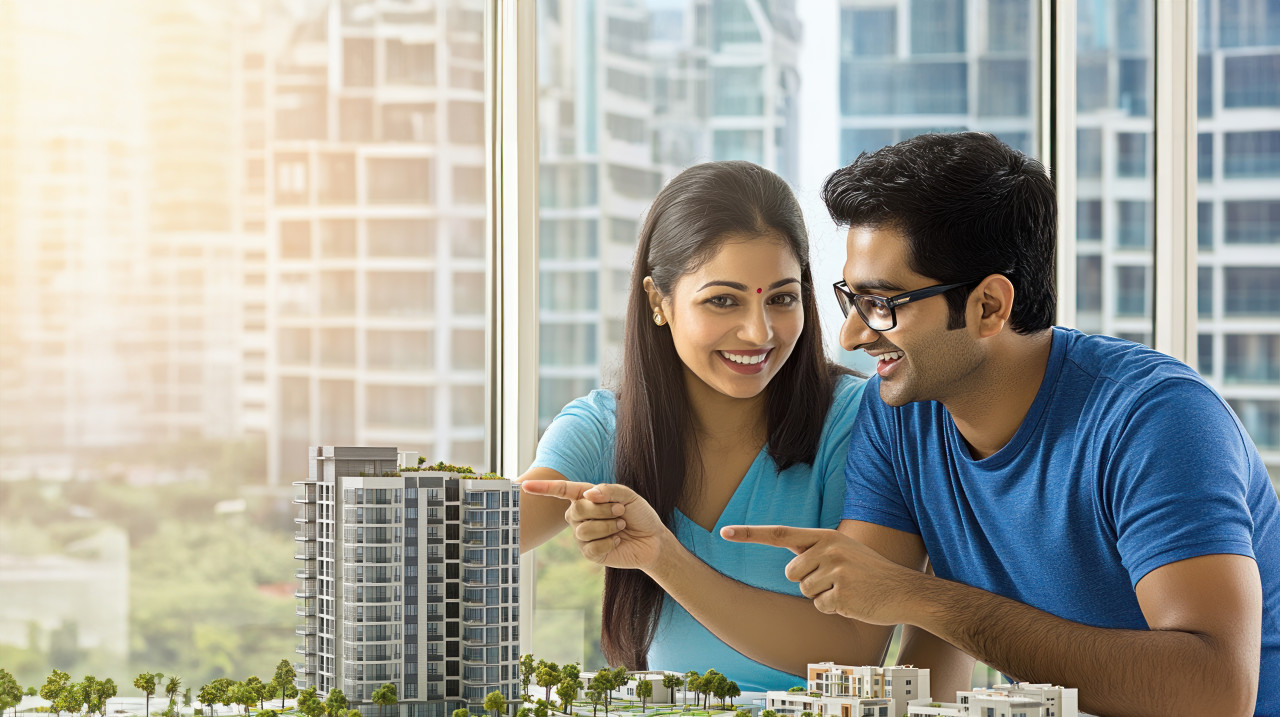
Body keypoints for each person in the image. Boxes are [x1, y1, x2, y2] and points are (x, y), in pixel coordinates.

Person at [722, 131, 1280, 715]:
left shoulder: (1155, 420)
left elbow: (1217, 691)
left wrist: (926, 598)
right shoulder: (897, 415)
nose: (853, 334)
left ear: (989, 306)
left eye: (882, 302)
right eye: (850, 299)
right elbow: (884, 631)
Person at [516, 161, 960, 692]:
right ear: (659, 301)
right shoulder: (601, 428)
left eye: (781, 298)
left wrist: (663, 556)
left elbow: (855, 648)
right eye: (722, 300)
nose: (759, 332)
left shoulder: (861, 421)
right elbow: (469, 541)